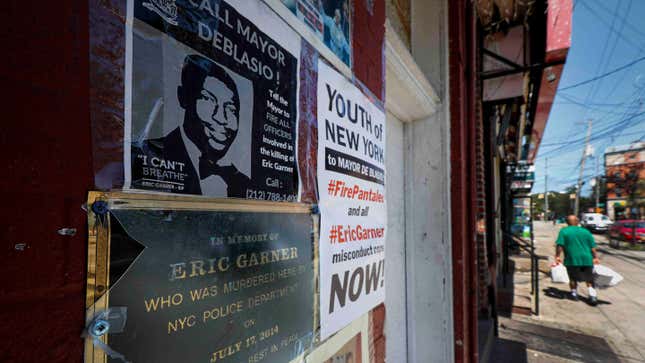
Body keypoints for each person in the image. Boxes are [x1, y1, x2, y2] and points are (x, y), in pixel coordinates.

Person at [132, 54, 251, 197]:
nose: (222, 118)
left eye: (231, 109)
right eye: (208, 99)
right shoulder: (142, 157)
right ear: (183, 97)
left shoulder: (242, 182)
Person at [554, 215, 600, 305]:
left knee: (572, 277)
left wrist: (557, 256)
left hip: (572, 258)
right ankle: (592, 296)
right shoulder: (586, 232)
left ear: (567, 222)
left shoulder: (564, 231)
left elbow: (560, 245)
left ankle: (574, 294)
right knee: (589, 278)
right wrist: (595, 257)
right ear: (577, 221)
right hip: (587, 258)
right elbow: (592, 247)